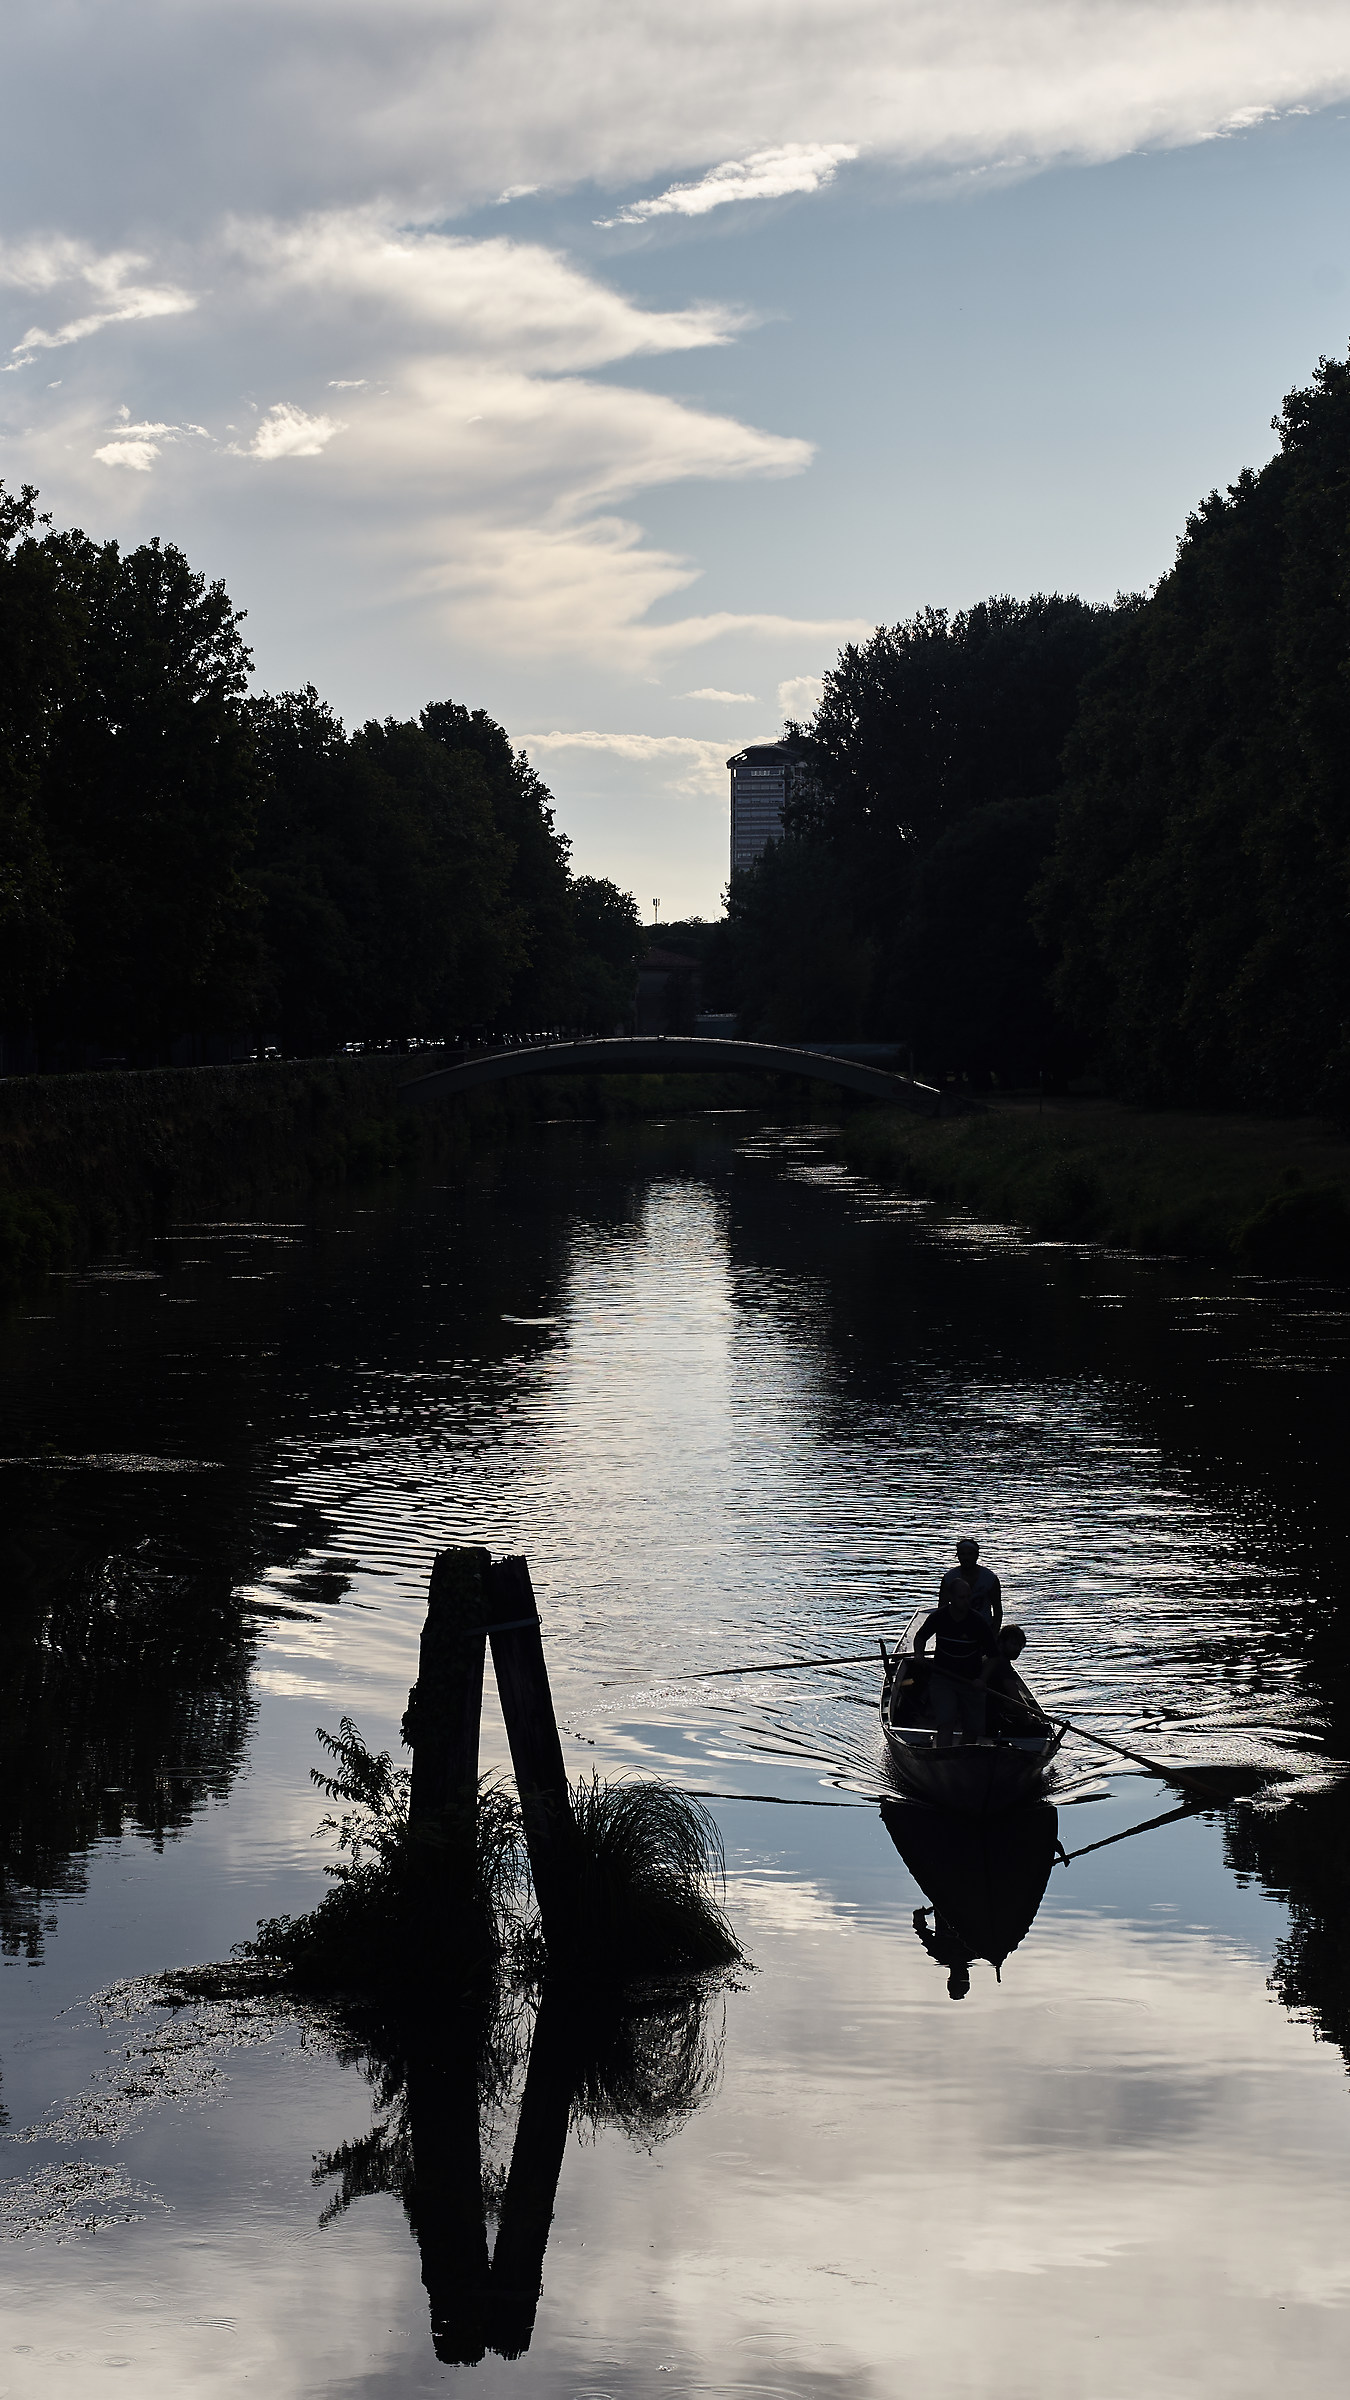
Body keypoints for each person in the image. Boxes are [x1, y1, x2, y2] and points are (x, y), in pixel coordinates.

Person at [913, 1576, 999, 1747]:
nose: (966, 1601)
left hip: (971, 1681)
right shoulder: (939, 1617)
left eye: (968, 1597)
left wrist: (982, 1679)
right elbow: (920, 1638)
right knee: (946, 1722)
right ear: (951, 1598)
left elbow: (993, 1656)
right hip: (943, 1679)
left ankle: (965, 1758)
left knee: (972, 1728)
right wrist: (919, 1655)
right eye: (961, 1597)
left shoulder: (978, 1622)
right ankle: (944, 1757)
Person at [939, 1537, 1002, 1631]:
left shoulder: (990, 1579)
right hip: (956, 1627)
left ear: (977, 1556)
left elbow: (997, 1610)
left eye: (970, 1554)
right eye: (962, 1554)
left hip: (983, 1627)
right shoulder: (949, 1578)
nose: (966, 1558)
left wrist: (994, 1634)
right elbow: (942, 1609)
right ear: (958, 1556)